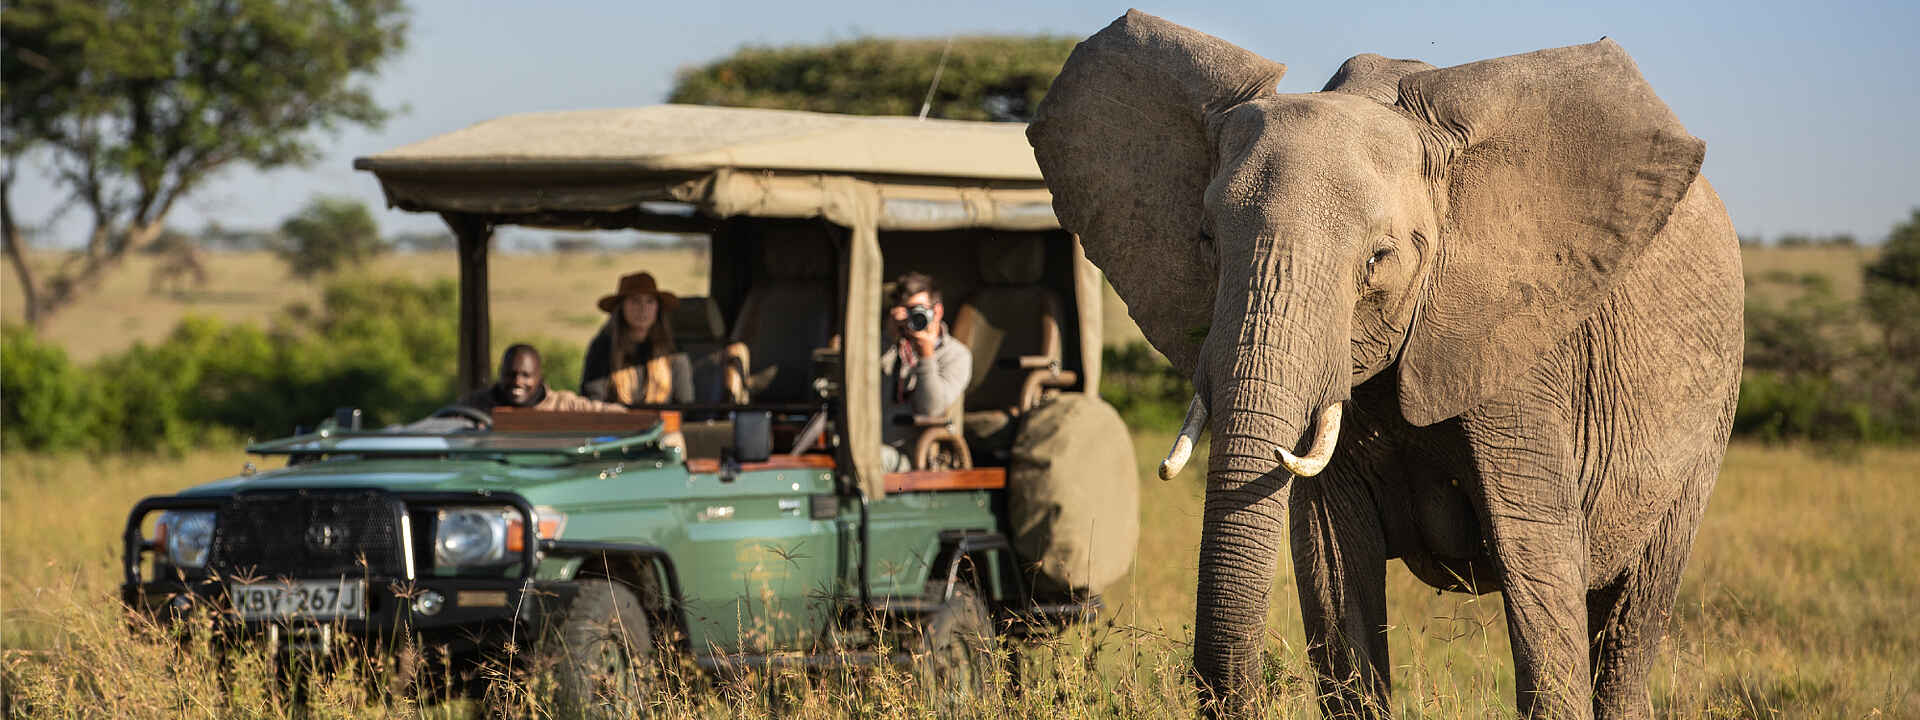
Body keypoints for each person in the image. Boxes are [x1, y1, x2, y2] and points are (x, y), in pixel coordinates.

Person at [880, 272, 973, 472]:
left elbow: (931, 409)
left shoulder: (957, 355)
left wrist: (926, 356)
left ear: (937, 311)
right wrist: (889, 339)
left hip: (923, 456)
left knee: (872, 459)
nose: (912, 318)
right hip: (877, 445)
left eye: (917, 310)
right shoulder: (888, 348)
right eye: (905, 312)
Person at [581, 271, 694, 406]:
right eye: (635, 301)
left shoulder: (674, 351)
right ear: (621, 307)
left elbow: (685, 403)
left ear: (657, 308)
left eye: (650, 301)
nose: (643, 309)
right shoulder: (603, 348)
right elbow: (594, 402)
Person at [458, 344, 627, 413]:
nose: (517, 382)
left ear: (540, 377)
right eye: (510, 374)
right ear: (500, 374)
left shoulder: (564, 405)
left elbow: (614, 415)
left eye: (526, 375)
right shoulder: (475, 406)